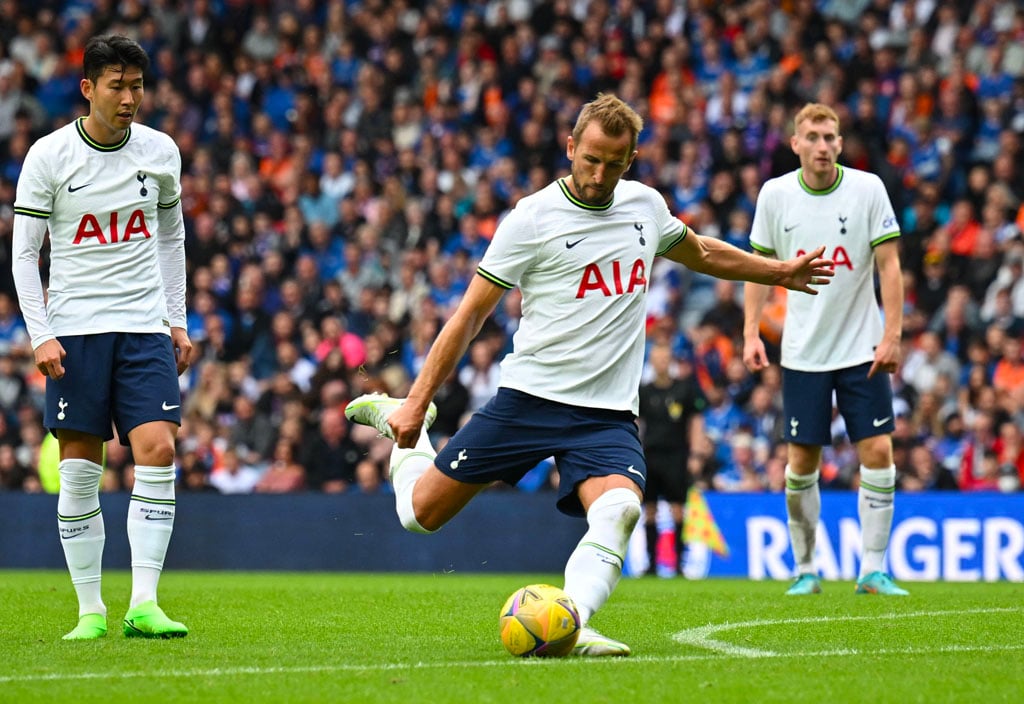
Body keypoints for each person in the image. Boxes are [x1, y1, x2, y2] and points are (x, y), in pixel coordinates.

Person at [345, 93, 834, 656]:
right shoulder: (531, 219)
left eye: (615, 163)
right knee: (419, 516)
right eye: (591, 159)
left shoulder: (645, 207)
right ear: (571, 147)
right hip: (528, 399)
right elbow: (469, 315)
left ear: (631, 161)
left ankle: (571, 624)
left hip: (605, 415)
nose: (600, 175)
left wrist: (779, 272)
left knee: (621, 509)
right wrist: (417, 398)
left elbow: (699, 251)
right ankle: (407, 422)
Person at [11, 35, 193, 639]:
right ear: (88, 88)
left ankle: (144, 602)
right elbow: (24, 253)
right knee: (82, 472)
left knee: (159, 451)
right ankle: (91, 610)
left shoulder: (161, 152)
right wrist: (40, 334)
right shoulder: (50, 156)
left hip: (143, 329)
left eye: (137, 85)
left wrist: (177, 319)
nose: (129, 97)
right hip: (76, 331)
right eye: (116, 85)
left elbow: (171, 240)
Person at [742, 102, 909, 597]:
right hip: (803, 352)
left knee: (878, 450)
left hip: (862, 347)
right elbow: (758, 266)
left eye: (830, 137)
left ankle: (873, 570)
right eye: (812, 136)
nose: (822, 145)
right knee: (802, 462)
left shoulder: (867, 189)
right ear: (795, 144)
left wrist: (893, 334)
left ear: (840, 143)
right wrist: (751, 331)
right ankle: (806, 568)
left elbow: (890, 267)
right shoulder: (775, 196)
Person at [637, 343, 706, 577]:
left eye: (666, 357)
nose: (662, 362)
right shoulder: (644, 391)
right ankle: (651, 564)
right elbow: (638, 425)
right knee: (650, 509)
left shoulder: (684, 390)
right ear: (652, 362)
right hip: (650, 455)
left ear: (671, 361)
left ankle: (678, 564)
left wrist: (696, 454)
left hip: (677, 455)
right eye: (657, 358)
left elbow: (695, 422)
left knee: (678, 508)